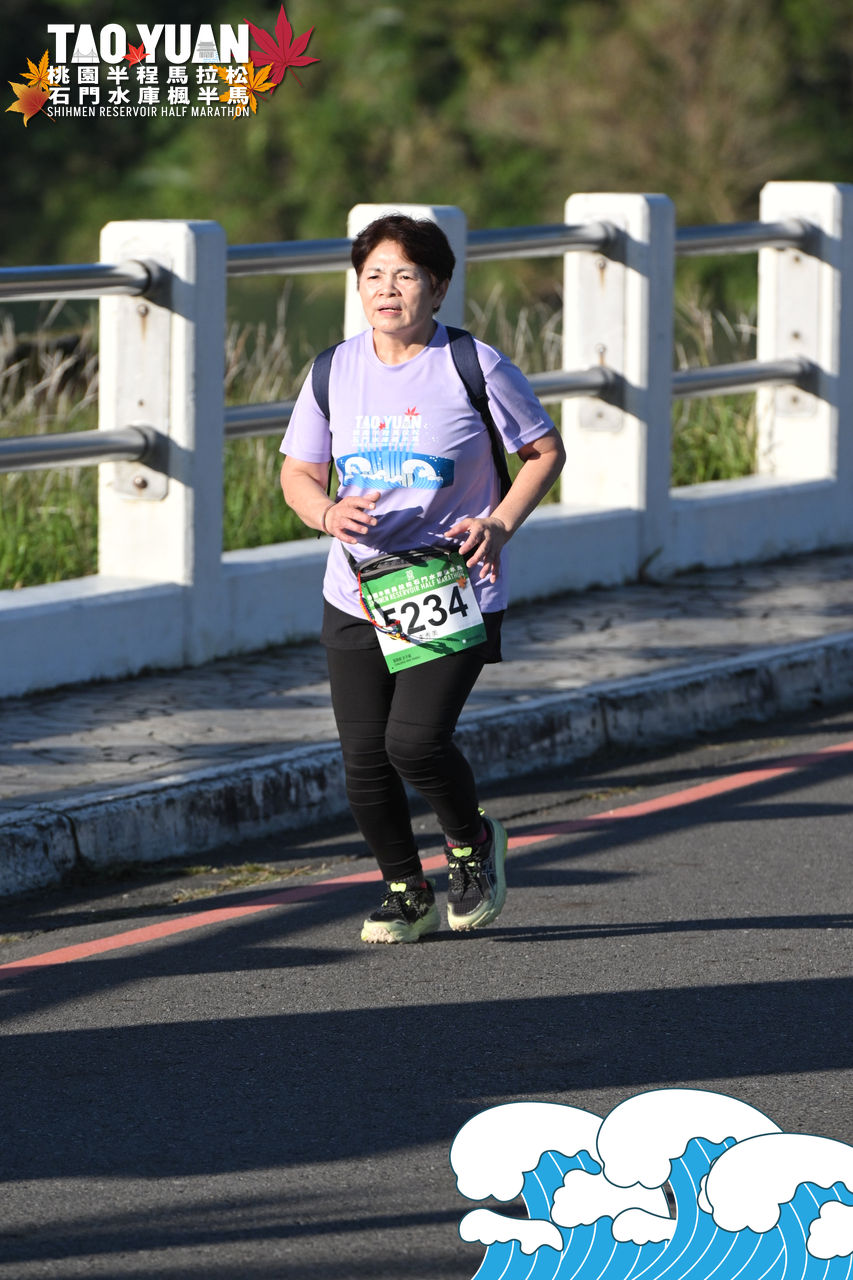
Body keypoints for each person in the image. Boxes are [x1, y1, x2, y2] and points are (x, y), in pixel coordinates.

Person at [280, 213, 565, 944]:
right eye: (373, 275)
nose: (387, 289)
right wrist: (326, 513)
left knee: (412, 743)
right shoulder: (332, 370)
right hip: (357, 588)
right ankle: (405, 890)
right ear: (357, 286)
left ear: (436, 288)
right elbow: (299, 473)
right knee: (363, 762)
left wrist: (499, 523)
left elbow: (543, 452)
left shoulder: (473, 365)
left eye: (405, 275)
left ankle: (472, 843)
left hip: (449, 583)